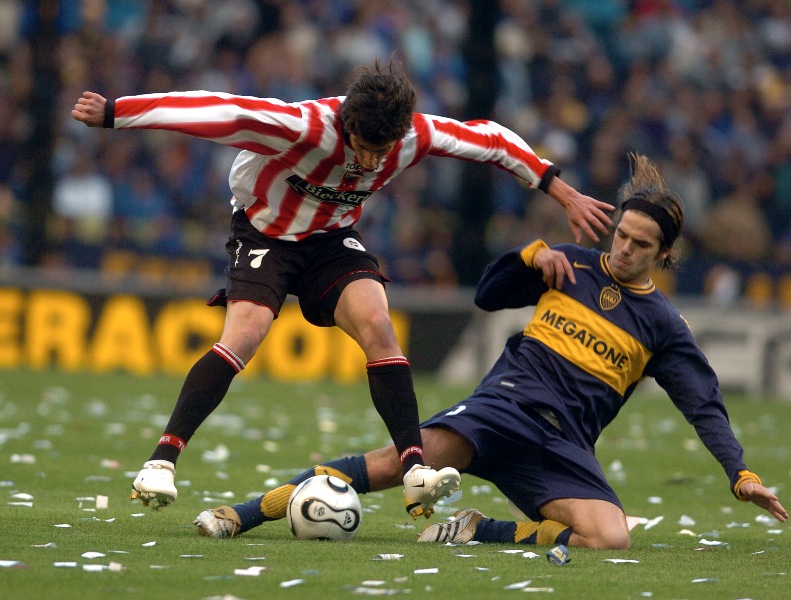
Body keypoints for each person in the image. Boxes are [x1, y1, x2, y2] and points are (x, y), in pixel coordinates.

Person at [71, 59, 613, 520]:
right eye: (363, 147)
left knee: (379, 323)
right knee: (249, 331)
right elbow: (218, 111)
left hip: (330, 239)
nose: (373, 162)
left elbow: (491, 140)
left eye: (384, 150)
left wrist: (559, 190)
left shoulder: (412, 135)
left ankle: (415, 469)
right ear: (346, 123)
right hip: (265, 232)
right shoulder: (301, 127)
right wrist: (118, 113)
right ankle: (161, 461)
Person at [193, 154, 787, 546]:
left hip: (562, 445)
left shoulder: (663, 325)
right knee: (390, 464)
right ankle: (242, 514)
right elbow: (487, 296)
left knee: (610, 538)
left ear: (665, 254)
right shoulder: (569, 264)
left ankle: (480, 530)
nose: (625, 249)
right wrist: (527, 258)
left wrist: (741, 473)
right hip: (503, 408)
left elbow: (703, 404)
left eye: (641, 244)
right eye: (621, 235)